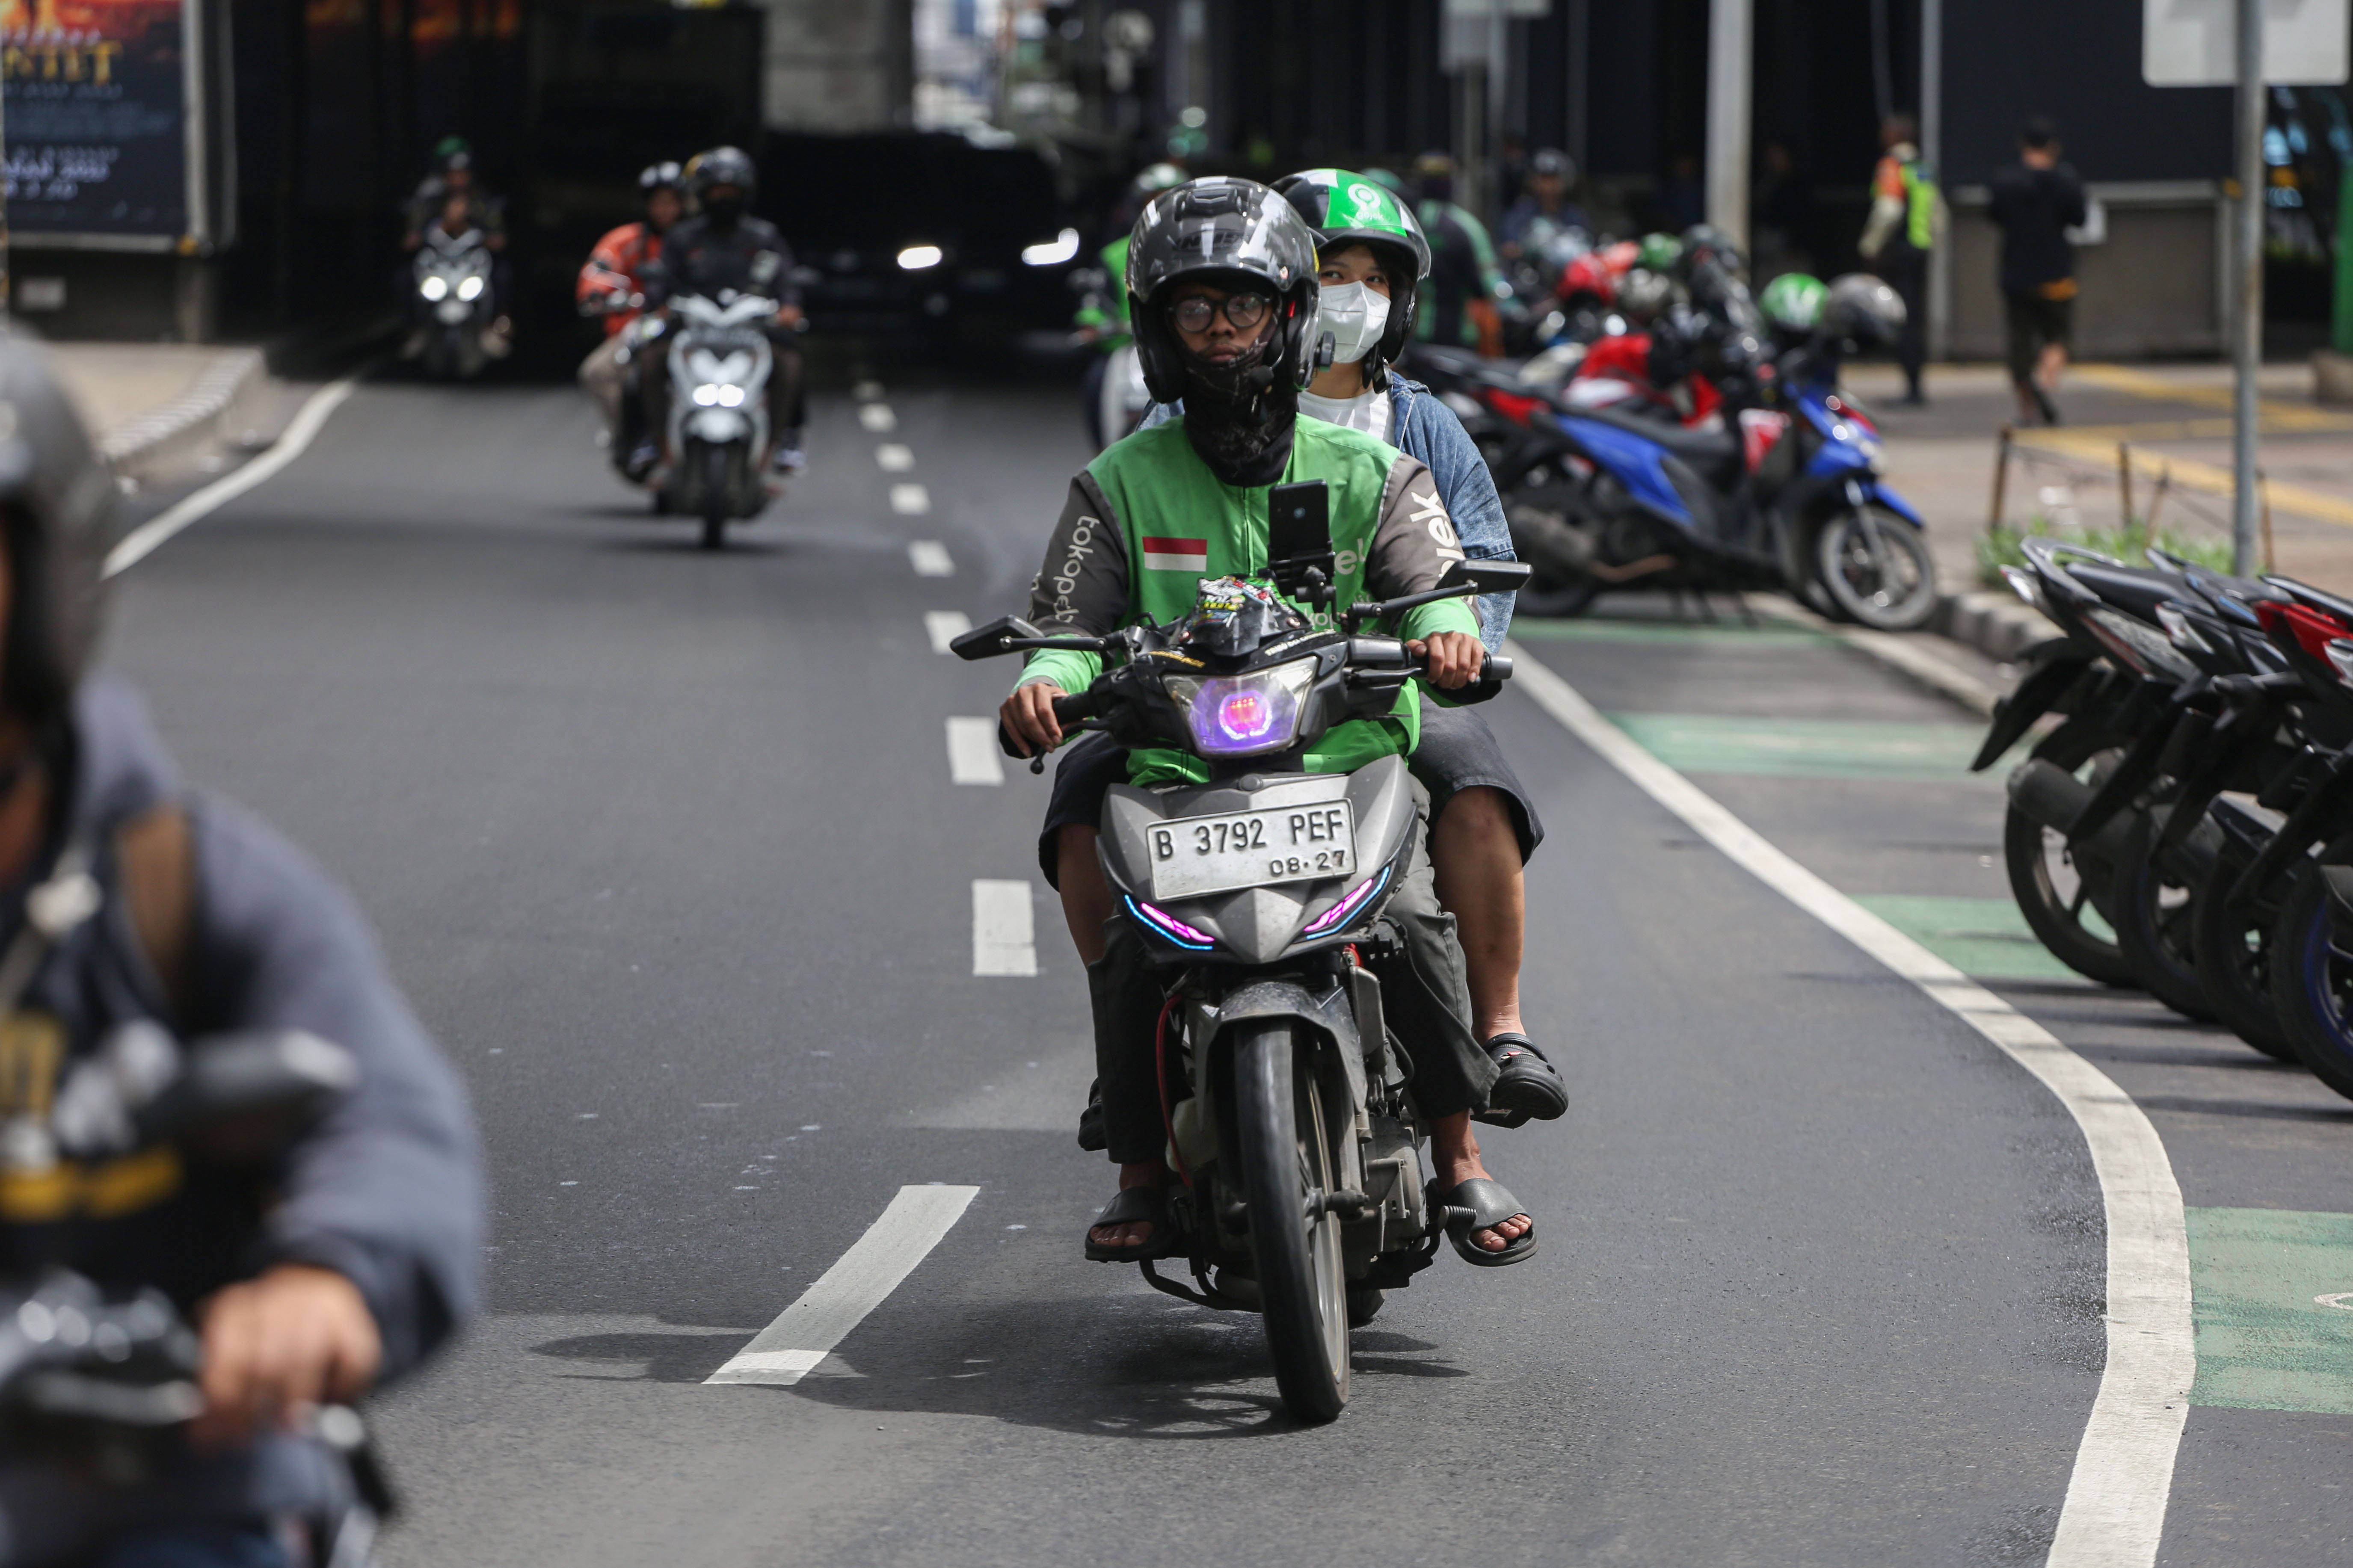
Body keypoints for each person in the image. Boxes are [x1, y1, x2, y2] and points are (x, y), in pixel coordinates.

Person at [0, 337, 483, 1564]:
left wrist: (324, 1279)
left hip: (155, 1488)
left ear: (51, 581)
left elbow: (389, 1124)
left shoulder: (187, 886)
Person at [999, 176, 1540, 1266]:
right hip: (1171, 761)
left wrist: (1445, 633)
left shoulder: (1379, 468)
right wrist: (1048, 679)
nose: (1220, 331)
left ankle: (1459, 1156)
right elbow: (1066, 621)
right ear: (1157, 329)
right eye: (1194, 309)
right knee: (1124, 929)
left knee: (1413, 919)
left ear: (1285, 315)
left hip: (1346, 750)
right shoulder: (1116, 483)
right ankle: (1140, 1168)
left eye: (1242, 305)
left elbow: (1435, 580)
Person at [1111, 168, 1562, 1132]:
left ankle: (1498, 1034)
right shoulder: (1179, 422)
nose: (1355, 297)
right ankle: (1130, 1077)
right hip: (1208, 698)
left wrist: (1450, 643)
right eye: (1331, 274)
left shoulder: (1419, 428)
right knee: (1083, 806)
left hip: (1373, 690)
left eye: (1376, 279)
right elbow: (1116, 559)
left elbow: (1474, 560)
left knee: (1476, 789)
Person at [635, 146, 808, 476]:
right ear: (703, 194)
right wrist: (658, 304)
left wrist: (790, 307)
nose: (724, 199)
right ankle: (651, 436)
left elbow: (785, 278)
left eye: (732, 191)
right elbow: (661, 278)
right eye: (718, 191)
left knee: (790, 362)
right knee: (648, 360)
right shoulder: (683, 237)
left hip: (750, 329)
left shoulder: (763, 237)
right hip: (694, 327)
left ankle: (787, 436)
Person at [578, 162, 685, 479]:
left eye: (672, 202)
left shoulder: (698, 239)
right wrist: (599, 294)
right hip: (641, 325)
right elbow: (599, 271)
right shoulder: (627, 240)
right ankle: (631, 436)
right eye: (658, 203)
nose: (665, 210)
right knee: (598, 371)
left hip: (697, 326)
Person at [1988, 115, 2087, 427]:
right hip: (2056, 274)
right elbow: (2080, 218)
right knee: (2059, 338)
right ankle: (2045, 380)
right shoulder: (2065, 181)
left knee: (2020, 343)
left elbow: (1993, 215)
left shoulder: (2005, 182)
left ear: (2022, 145)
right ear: (2053, 148)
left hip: (2016, 276)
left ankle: (2027, 408)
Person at [1857, 113, 1937, 406]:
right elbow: (1936, 211)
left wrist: (1870, 247)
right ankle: (1915, 384)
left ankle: (1912, 389)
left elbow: (1889, 211)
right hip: (1920, 249)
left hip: (1900, 251)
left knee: (1901, 318)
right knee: (1915, 319)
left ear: (1894, 135)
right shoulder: (1921, 166)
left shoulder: (1893, 165)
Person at [1411, 153, 1509, 356]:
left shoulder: (1405, 222)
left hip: (1411, 334)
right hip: (1456, 337)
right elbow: (1485, 286)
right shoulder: (1465, 227)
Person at [1500, 148, 1589, 255]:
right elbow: (1509, 247)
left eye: (1553, 180)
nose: (1548, 187)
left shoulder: (1575, 216)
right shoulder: (1520, 214)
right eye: (1544, 179)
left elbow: (1586, 247)